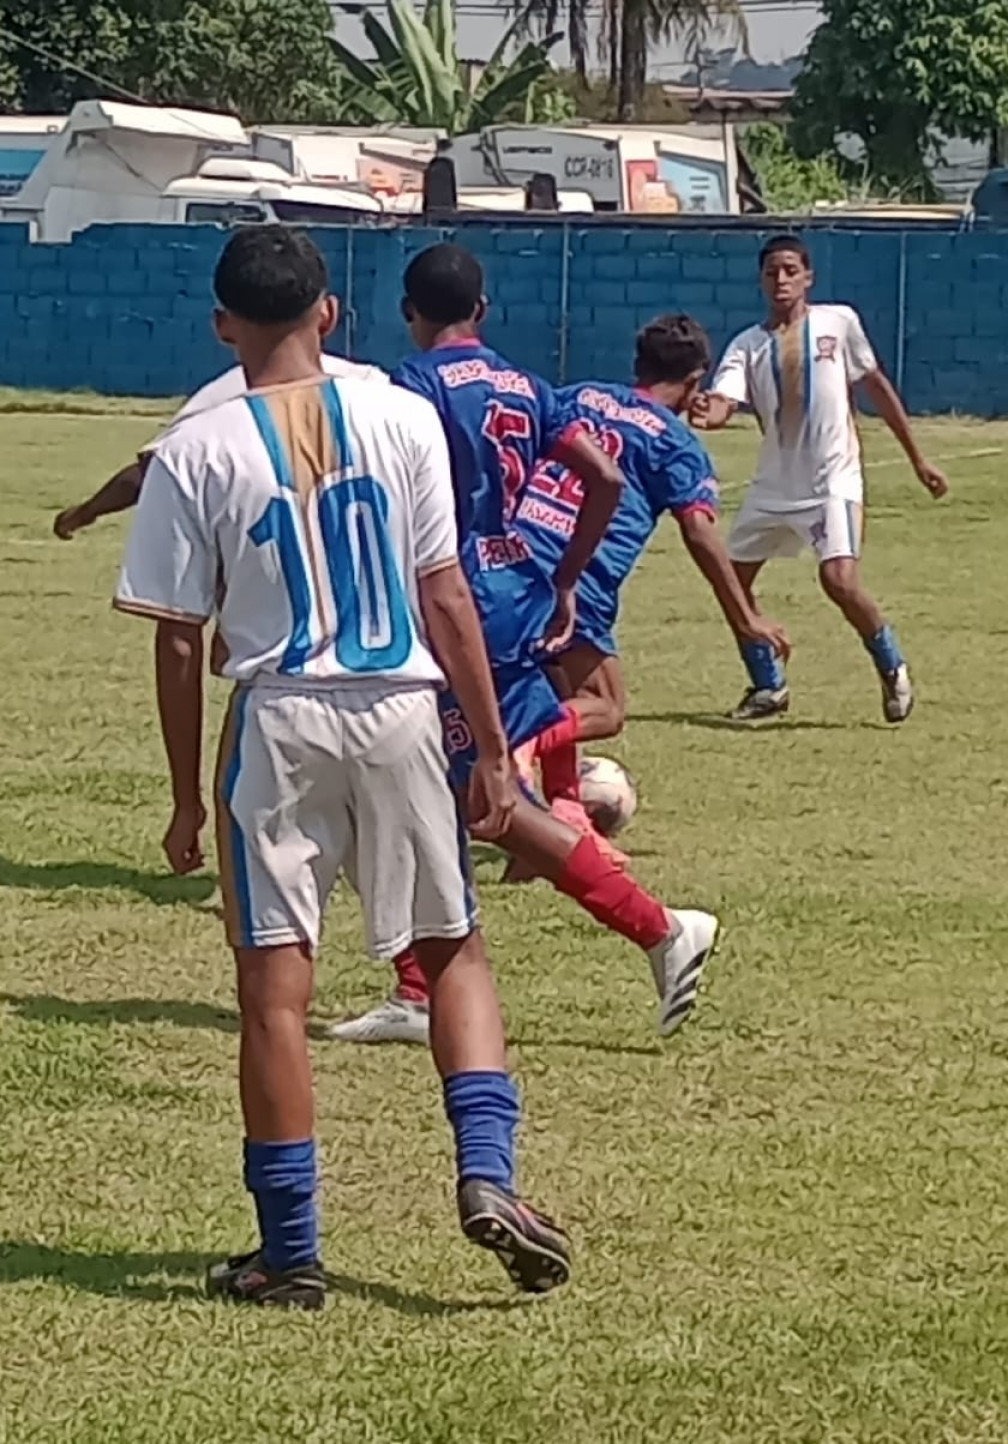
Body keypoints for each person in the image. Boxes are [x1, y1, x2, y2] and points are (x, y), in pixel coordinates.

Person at [116, 225, 572, 1310]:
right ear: (329, 311)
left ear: (224, 326)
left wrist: (185, 795)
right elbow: (445, 591)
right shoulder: (402, 415)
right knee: (451, 949)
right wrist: (494, 750)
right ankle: (487, 1173)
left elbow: (178, 635)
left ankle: (291, 1252)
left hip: (279, 715)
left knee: (276, 991)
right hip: (404, 708)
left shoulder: (198, 445)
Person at [335, 243, 718, 1048]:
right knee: (467, 796)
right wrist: (569, 578)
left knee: (428, 794)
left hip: (450, 599)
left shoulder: (413, 386)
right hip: (515, 592)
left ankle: (657, 930)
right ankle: (422, 985)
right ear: (482, 310)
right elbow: (605, 481)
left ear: (410, 313)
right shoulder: (529, 386)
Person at [514, 315, 793, 798]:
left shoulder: (579, 397)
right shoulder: (675, 443)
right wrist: (747, 619)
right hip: (578, 580)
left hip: (510, 556)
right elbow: (699, 533)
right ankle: (517, 748)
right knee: (604, 706)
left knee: (560, 698)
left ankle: (564, 817)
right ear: (693, 382)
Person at [694, 235, 948, 723]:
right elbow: (725, 401)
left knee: (838, 579)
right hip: (774, 486)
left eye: (791, 270)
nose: (782, 280)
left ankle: (891, 665)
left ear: (808, 276)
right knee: (731, 583)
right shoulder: (748, 345)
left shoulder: (839, 322)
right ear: (761, 280)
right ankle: (769, 686)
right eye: (772, 272)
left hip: (834, 479)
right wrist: (710, 411)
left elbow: (876, 385)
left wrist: (918, 458)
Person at [52, 352, 388, 542]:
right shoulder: (372, 383)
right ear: (326, 314)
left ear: (225, 326)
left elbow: (152, 472)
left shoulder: (228, 392)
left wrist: (84, 513)